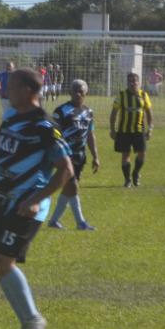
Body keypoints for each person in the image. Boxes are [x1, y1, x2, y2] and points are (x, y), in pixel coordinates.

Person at [0, 68, 73, 329]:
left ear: (27, 91)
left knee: (4, 262)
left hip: (27, 206)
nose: (5, 90)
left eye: (10, 86)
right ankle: (29, 321)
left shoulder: (44, 126)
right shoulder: (10, 121)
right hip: (3, 201)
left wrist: (36, 198)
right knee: (0, 267)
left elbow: (65, 170)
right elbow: (0, 160)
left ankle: (32, 321)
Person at [47, 79, 99, 230]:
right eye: (74, 91)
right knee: (73, 186)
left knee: (69, 189)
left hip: (79, 156)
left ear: (86, 94)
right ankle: (80, 222)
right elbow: (51, 133)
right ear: (69, 92)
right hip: (64, 156)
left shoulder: (89, 112)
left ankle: (54, 221)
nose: (77, 94)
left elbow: (90, 135)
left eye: (81, 92)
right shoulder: (61, 111)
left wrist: (95, 156)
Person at [110, 71, 153, 187]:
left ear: (139, 82)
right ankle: (127, 179)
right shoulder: (121, 95)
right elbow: (114, 113)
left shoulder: (144, 95)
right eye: (130, 81)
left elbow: (149, 113)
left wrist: (150, 129)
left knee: (142, 153)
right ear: (127, 83)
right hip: (124, 131)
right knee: (125, 154)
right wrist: (112, 129)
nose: (132, 83)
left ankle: (136, 173)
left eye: (134, 81)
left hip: (139, 131)